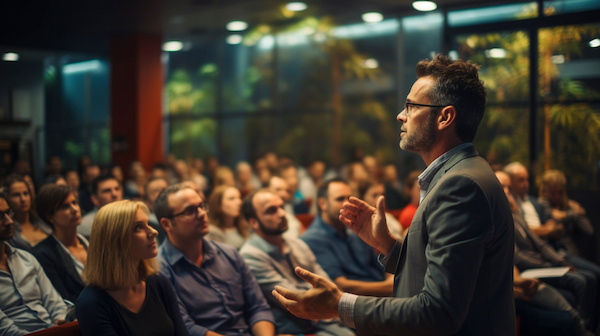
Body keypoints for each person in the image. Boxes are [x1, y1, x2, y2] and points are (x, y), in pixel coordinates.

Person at [273, 55, 516, 335]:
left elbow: (438, 312)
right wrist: (388, 246)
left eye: (412, 106)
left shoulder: (460, 186)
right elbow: (440, 273)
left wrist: (340, 305)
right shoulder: (463, 172)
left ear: (445, 117)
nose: (401, 115)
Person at [155, 184, 276, 336]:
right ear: (167, 224)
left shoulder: (229, 253)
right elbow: (186, 327)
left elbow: (258, 308)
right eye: (190, 211)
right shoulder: (159, 268)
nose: (201, 214)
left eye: (201, 206)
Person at [240, 189, 356, 336]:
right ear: (254, 222)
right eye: (271, 210)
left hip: (324, 318)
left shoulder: (297, 244)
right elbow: (296, 297)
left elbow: (327, 284)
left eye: (282, 207)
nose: (282, 214)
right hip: (295, 327)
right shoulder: (251, 255)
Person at [75, 200, 187, 336]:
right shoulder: (91, 303)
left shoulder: (158, 282)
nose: (154, 232)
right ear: (115, 240)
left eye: (148, 224)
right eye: (138, 227)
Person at [301, 178, 393, 296]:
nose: (346, 204)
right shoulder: (312, 238)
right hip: (358, 302)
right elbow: (342, 286)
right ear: (323, 204)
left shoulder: (354, 227)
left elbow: (382, 265)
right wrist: (390, 287)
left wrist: (393, 280)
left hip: (385, 292)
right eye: (340, 199)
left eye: (349, 199)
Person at [0, 192, 69, 335]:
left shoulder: (26, 258)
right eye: (0, 216)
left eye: (8, 213)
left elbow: (54, 301)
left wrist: (61, 319)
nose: (9, 221)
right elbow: (6, 329)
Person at [33, 184, 88, 303]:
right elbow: (63, 299)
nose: (74, 209)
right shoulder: (44, 254)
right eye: (65, 206)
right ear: (50, 217)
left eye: (74, 202)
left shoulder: (91, 241)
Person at [538, 169, 593, 257]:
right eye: (553, 192)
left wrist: (573, 212)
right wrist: (573, 213)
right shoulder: (541, 204)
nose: (557, 196)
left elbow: (588, 230)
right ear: (545, 190)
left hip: (572, 252)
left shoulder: (568, 205)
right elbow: (554, 226)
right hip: (556, 253)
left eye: (560, 192)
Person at [3, 174, 52, 251]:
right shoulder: (8, 231)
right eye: (16, 195)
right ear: (7, 198)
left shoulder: (41, 222)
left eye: (25, 193)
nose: (23, 199)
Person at [206, 185, 249, 249]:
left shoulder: (243, 226)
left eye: (239, 198)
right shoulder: (212, 232)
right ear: (218, 204)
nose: (239, 202)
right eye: (231, 199)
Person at [143, 177, 169, 245]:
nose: (162, 193)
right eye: (155, 191)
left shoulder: (181, 215)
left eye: (164, 189)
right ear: (147, 200)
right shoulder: (147, 225)